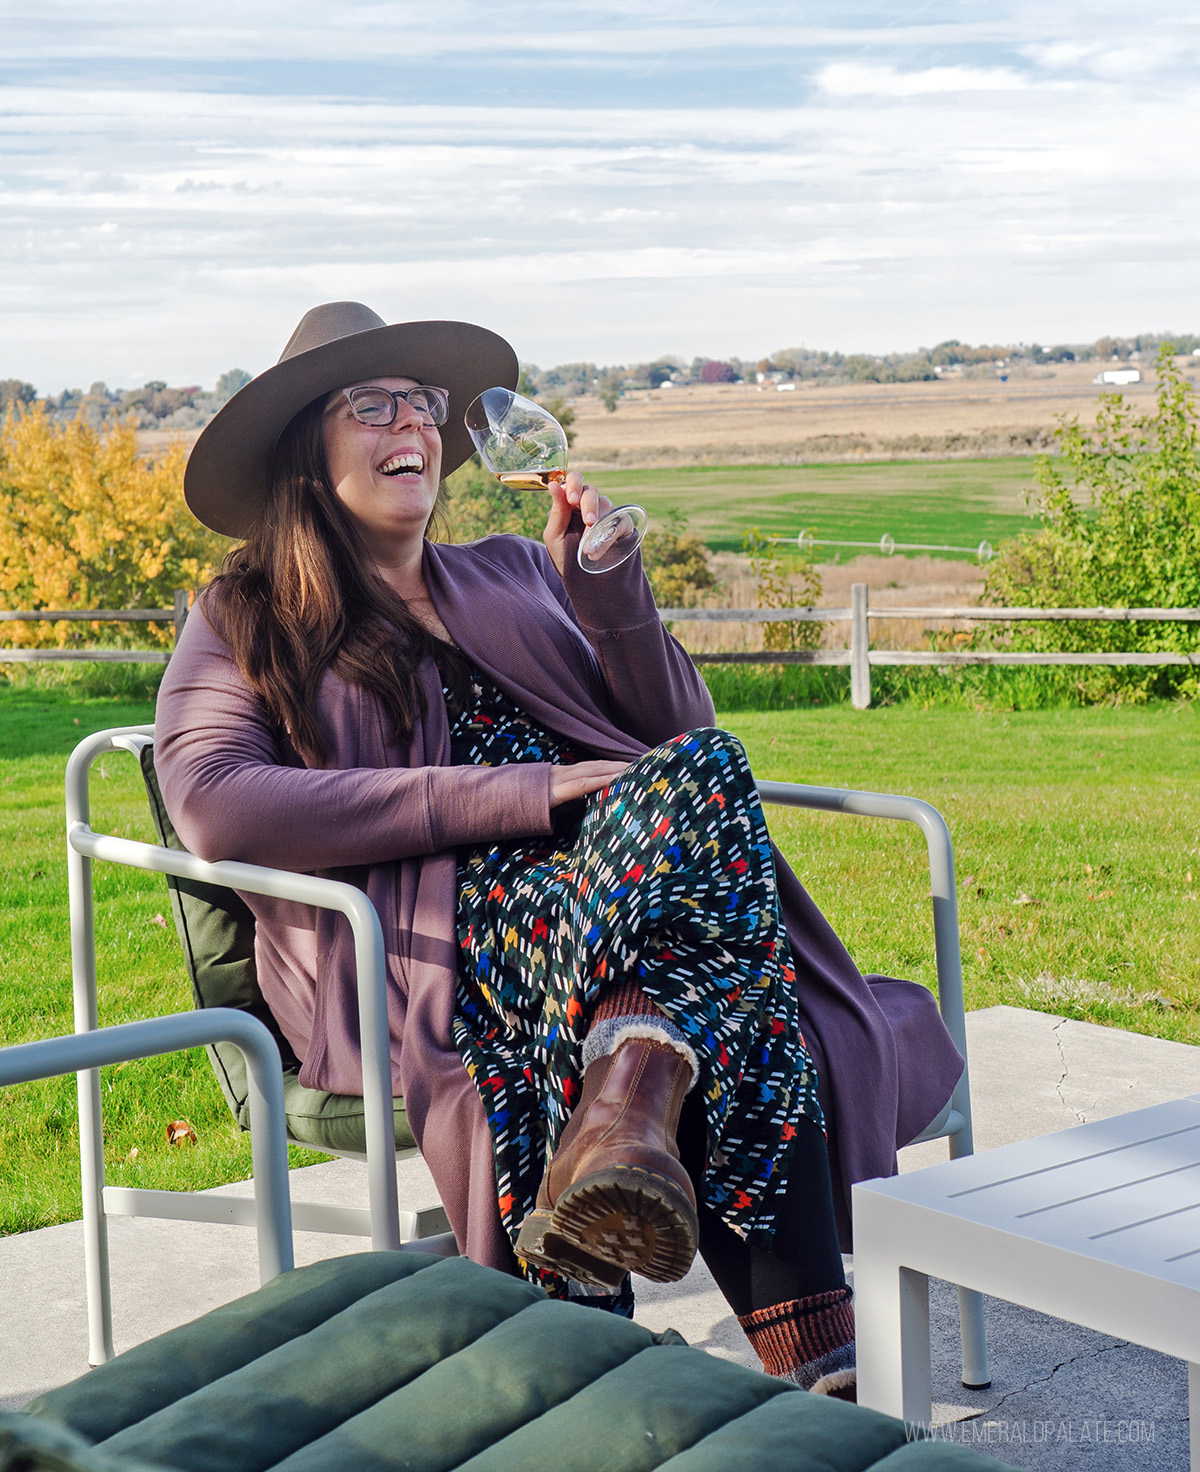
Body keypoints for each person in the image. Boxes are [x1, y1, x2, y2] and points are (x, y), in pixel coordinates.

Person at [156, 301, 964, 1400]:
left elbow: (675, 733)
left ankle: (625, 1105)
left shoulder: (512, 570)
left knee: (709, 771)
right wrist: (517, 792)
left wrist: (610, 595)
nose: (416, 427)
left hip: (614, 888)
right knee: (710, 979)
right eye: (374, 406)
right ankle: (801, 1324)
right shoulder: (247, 611)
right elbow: (212, 799)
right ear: (310, 445)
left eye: (426, 406)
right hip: (426, 928)